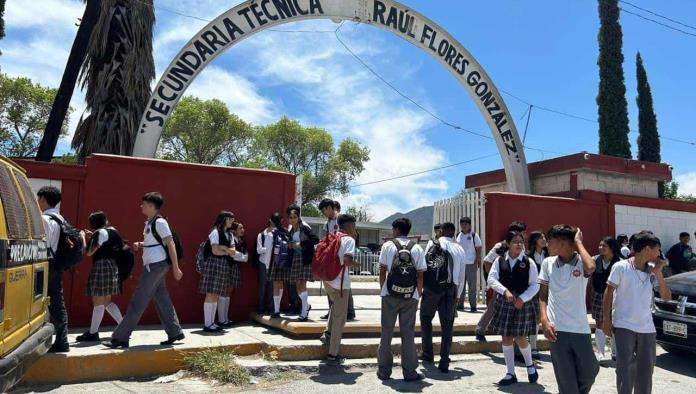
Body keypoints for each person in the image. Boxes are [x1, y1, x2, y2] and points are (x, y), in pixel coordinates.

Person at [103, 192, 184, 348]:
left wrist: (176, 267)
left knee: (138, 301)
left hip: (156, 266)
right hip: (155, 265)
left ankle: (121, 337)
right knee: (162, 298)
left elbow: (170, 243)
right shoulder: (150, 222)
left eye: (144, 204)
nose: (141, 206)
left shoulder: (159, 223)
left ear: (152, 207)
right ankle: (175, 331)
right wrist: (141, 244)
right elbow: (156, 242)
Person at [603, 231, 671, 394]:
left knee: (646, 371)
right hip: (623, 325)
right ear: (648, 249)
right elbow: (609, 292)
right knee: (625, 369)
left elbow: (666, 297)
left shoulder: (653, 271)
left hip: (647, 328)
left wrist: (659, 273)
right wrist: (607, 321)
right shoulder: (621, 267)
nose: (659, 254)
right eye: (658, 250)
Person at [539, 224, 598, 394]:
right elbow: (542, 295)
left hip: (580, 328)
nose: (546, 245)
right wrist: (544, 320)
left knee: (590, 371)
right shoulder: (547, 263)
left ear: (563, 243)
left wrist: (578, 242)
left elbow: (591, 267)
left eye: (549, 241)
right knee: (566, 379)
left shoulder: (581, 262)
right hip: (556, 329)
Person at [377, 218, 427, 382]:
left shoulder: (388, 246)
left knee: (386, 333)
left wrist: (383, 290)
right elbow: (420, 275)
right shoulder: (418, 248)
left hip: (390, 295)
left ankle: (384, 371)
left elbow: (382, 270)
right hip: (410, 296)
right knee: (408, 334)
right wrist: (417, 294)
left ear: (397, 229)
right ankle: (410, 372)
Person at [488, 231, 539, 386]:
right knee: (506, 337)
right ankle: (510, 373)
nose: (519, 244)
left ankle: (530, 366)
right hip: (505, 302)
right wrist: (504, 291)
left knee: (520, 337)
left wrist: (522, 299)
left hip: (522, 303)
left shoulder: (528, 262)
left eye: (521, 242)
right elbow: (491, 278)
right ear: (508, 243)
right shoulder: (499, 261)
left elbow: (535, 285)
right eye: (515, 241)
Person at [420, 222, 466, 373]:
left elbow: (425, 265)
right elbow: (461, 276)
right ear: (454, 233)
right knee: (447, 325)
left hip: (432, 289)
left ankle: (427, 354)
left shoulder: (433, 243)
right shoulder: (459, 249)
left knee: (426, 318)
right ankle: (444, 360)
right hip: (450, 290)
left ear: (441, 231)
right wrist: (457, 296)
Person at [76, 211, 125, 342]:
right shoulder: (113, 231)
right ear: (105, 220)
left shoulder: (100, 233)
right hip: (112, 266)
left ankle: (93, 333)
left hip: (101, 267)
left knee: (98, 301)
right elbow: (107, 244)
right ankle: (124, 326)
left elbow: (89, 252)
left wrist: (83, 238)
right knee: (107, 301)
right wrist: (93, 237)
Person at [475, 221, 527, 342]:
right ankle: (480, 329)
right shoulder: (500, 246)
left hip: (517, 284)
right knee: (494, 307)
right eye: (522, 232)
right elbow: (487, 262)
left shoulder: (522, 247)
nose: (524, 235)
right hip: (503, 284)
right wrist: (494, 281)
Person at [321, 214, 361, 364]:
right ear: (350, 226)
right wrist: (357, 264)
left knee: (334, 308)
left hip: (327, 281)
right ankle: (333, 353)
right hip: (340, 284)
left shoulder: (332, 236)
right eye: (354, 226)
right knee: (340, 318)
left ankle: (327, 334)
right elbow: (347, 260)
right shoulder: (349, 240)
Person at [37, 186, 70, 352]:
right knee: (57, 301)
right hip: (57, 263)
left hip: (46, 263)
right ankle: (62, 339)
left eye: (39, 198)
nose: (38, 202)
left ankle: (59, 341)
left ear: (43, 199)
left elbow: (41, 243)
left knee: (46, 301)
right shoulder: (60, 218)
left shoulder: (44, 219)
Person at [270, 205, 317, 321]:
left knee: (302, 284)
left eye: (295, 217)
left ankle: (304, 312)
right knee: (297, 285)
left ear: (298, 217)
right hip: (295, 258)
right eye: (290, 217)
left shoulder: (304, 227)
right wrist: (290, 245)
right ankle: (306, 306)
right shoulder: (291, 229)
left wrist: (300, 244)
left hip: (304, 258)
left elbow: (315, 240)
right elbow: (291, 243)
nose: (292, 219)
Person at [197, 211, 235, 332]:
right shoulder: (215, 232)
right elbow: (215, 251)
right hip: (213, 263)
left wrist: (223, 248)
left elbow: (233, 251)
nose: (231, 222)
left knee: (217, 294)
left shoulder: (230, 235)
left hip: (223, 264)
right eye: (230, 219)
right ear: (224, 219)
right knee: (210, 293)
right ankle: (208, 324)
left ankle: (212, 322)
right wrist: (226, 250)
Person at [319, 199, 355, 321]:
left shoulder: (342, 219)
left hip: (343, 252)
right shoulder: (326, 223)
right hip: (331, 255)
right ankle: (332, 310)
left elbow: (352, 234)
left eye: (324, 210)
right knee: (330, 281)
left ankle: (349, 311)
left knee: (344, 283)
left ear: (330, 207)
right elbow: (325, 238)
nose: (324, 213)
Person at [588, 236, 621, 362]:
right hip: (598, 293)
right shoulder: (594, 260)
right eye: (600, 245)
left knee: (614, 323)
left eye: (604, 246)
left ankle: (615, 352)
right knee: (599, 323)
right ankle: (601, 353)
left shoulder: (619, 262)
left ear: (612, 248)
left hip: (615, 295)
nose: (600, 248)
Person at [217, 222, 249, 325]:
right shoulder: (230, 241)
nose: (243, 230)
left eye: (243, 228)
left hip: (235, 268)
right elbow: (231, 254)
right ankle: (221, 319)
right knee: (223, 291)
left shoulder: (242, 242)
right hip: (227, 266)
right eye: (240, 228)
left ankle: (225, 318)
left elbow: (246, 258)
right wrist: (239, 256)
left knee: (229, 292)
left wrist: (238, 256)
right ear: (234, 231)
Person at [525, 230, 548, 359]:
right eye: (541, 238)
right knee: (532, 318)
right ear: (535, 241)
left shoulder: (549, 255)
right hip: (532, 290)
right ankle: (531, 347)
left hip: (546, 290)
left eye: (544, 237)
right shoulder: (528, 256)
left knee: (539, 318)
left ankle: (533, 347)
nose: (544, 240)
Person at [455, 217, 482, 312]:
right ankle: (460, 305)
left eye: (466, 224)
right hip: (460, 264)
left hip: (471, 263)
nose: (464, 226)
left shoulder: (474, 235)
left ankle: (473, 306)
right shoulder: (458, 235)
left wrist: (477, 259)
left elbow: (479, 248)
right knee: (461, 284)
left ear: (470, 225)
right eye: (462, 224)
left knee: (472, 286)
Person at [268, 213, 289, 318]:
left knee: (276, 284)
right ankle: (277, 309)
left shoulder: (271, 232)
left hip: (275, 261)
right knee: (280, 284)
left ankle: (276, 310)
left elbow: (268, 250)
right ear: (281, 220)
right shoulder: (286, 231)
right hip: (284, 260)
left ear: (271, 221)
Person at [256, 219, 275, 315]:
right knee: (262, 287)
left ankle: (271, 308)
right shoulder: (261, 235)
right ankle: (261, 308)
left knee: (271, 287)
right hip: (263, 263)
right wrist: (268, 248)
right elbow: (259, 250)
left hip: (272, 264)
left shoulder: (275, 235)